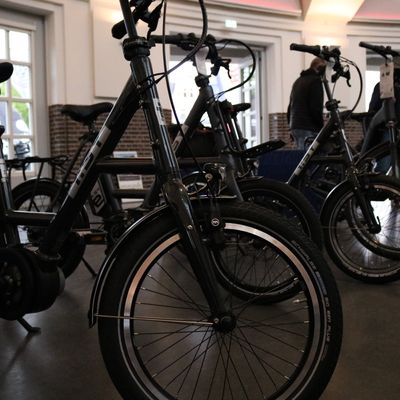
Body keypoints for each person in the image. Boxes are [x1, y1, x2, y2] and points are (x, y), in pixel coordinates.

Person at [287, 57, 326, 149]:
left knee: (301, 155)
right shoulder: (315, 81)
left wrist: (290, 126)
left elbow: (290, 107)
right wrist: (322, 128)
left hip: (295, 126)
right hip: (309, 127)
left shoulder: (298, 81)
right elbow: (315, 108)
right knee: (310, 156)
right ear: (319, 68)